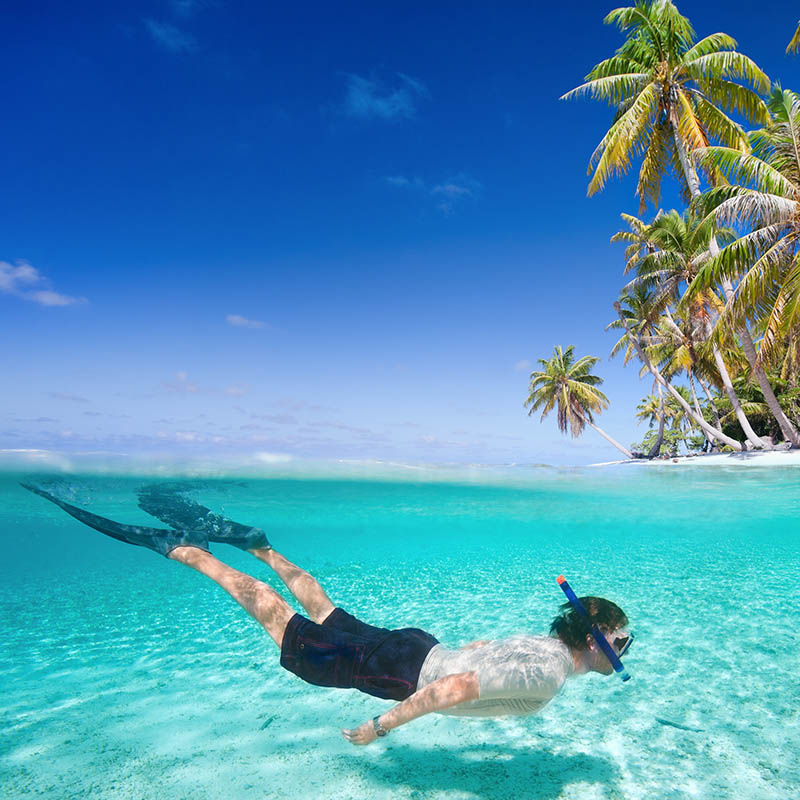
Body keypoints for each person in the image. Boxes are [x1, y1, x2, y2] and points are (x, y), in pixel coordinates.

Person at [22, 482, 634, 746]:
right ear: (596, 639)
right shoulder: (548, 675)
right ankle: (187, 552)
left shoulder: (541, 645)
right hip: (405, 675)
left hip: (416, 646)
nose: (624, 652)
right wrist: (381, 726)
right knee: (286, 625)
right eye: (623, 642)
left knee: (322, 606)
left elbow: (475, 650)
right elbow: (455, 688)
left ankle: (257, 543)